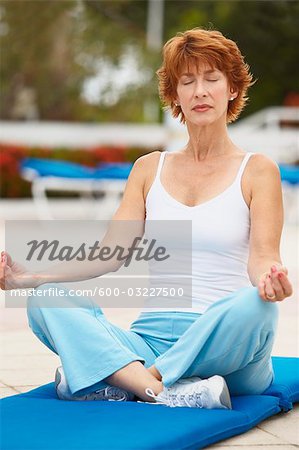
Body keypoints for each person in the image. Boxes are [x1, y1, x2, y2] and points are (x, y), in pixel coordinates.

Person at [0, 28, 293, 409]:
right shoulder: (148, 168)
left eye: (211, 79)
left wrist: (272, 281)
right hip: (148, 342)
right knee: (46, 300)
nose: (200, 91)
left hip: (226, 349)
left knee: (256, 307)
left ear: (233, 88)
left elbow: (263, 258)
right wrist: (32, 278)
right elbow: (109, 254)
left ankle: (121, 379)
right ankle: (165, 391)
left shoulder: (257, 170)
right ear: (175, 95)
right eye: (187, 81)